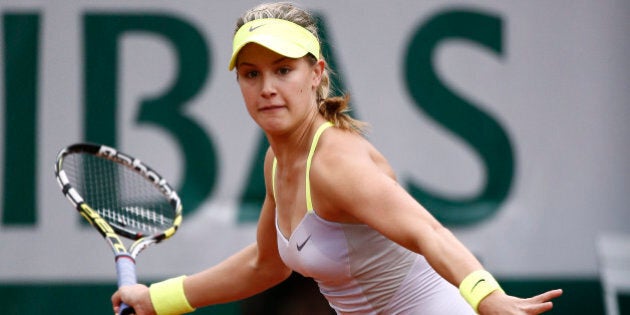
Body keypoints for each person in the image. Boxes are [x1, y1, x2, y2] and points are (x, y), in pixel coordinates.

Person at [112, 2, 563, 314]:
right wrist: (159, 300)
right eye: (252, 74)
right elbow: (265, 264)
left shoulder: (336, 165)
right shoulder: (277, 161)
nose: (267, 87)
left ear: (316, 74)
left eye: (283, 70)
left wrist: (487, 299)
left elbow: (428, 231)